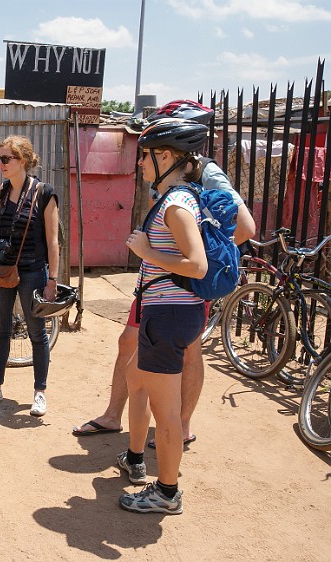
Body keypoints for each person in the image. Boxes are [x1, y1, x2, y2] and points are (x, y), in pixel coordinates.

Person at [73, 101, 256, 445]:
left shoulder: (207, 172)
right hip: (156, 281)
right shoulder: (167, 172)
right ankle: (114, 416)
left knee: (188, 351)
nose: (142, 158)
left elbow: (245, 227)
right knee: (129, 342)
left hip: (183, 283)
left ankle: (180, 427)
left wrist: (189, 257)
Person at [117, 118, 210, 514]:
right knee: (134, 378)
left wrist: (146, 252)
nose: (140, 164)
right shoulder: (182, 197)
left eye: (146, 156)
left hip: (168, 315)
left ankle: (168, 493)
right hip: (173, 313)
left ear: (168, 157)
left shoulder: (175, 205)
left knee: (166, 414)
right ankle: (135, 457)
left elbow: (197, 264)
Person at [0, 135, 60, 417]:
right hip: (4, 269)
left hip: (34, 270)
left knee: (36, 333)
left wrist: (52, 280)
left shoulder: (44, 193)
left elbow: (53, 240)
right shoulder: (4, 189)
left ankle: (40, 393)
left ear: (22, 161)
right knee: (0, 330)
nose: (0, 163)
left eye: (5, 158)